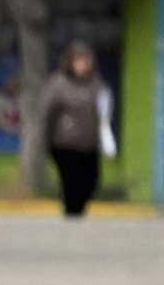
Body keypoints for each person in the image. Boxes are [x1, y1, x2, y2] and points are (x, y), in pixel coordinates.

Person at [39, 41, 117, 217]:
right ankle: (72, 211)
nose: (84, 65)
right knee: (71, 182)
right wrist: (45, 140)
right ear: (70, 62)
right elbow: (46, 114)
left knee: (91, 181)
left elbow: (104, 112)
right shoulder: (58, 84)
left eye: (87, 61)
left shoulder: (96, 84)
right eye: (80, 61)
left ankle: (78, 207)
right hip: (64, 144)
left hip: (89, 144)